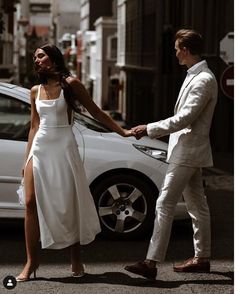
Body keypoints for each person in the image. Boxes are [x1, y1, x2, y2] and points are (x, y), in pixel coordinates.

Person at [16, 44, 134, 282]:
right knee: (29, 202)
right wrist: (26, 157)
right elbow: (34, 126)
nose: (36, 60)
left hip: (63, 147)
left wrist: (123, 132)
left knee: (68, 203)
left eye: (40, 56)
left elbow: (96, 112)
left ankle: (76, 259)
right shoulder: (34, 91)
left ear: (54, 58)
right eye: (34, 57)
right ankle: (31, 262)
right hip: (40, 148)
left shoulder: (71, 84)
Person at [124, 29, 218, 280]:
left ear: (186, 50)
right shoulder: (196, 76)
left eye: (177, 48)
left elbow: (185, 118)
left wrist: (149, 128)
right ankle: (202, 258)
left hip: (187, 151)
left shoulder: (203, 79)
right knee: (198, 206)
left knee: (164, 203)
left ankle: (151, 262)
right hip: (188, 149)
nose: (175, 52)